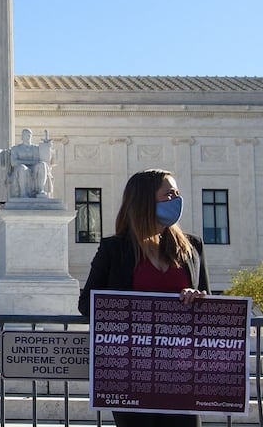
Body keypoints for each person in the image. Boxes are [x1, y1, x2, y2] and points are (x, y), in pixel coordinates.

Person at [78, 169, 208, 427]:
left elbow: (208, 301)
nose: (176, 199)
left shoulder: (192, 247)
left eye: (177, 193)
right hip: (131, 374)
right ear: (145, 200)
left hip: (181, 374)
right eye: (169, 194)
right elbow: (86, 304)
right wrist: (130, 308)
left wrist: (198, 297)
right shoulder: (114, 249)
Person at [6, 128, 53, 198]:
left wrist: (46, 146)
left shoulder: (36, 148)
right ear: (21, 137)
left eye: (29, 135)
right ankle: (23, 193)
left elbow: (45, 159)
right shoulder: (16, 149)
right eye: (25, 135)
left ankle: (40, 190)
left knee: (43, 165)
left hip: (34, 169)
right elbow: (13, 162)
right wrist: (30, 162)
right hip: (20, 169)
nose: (27, 136)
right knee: (22, 168)